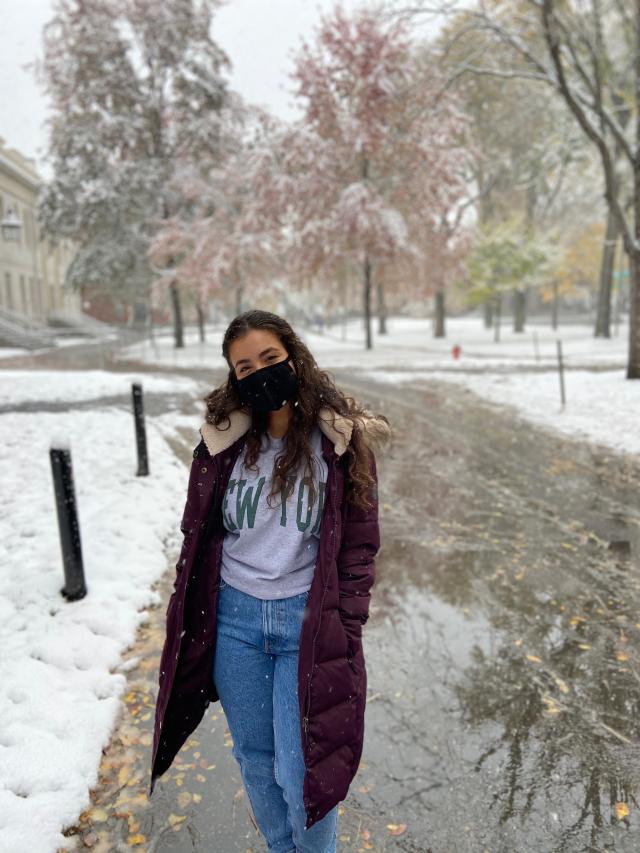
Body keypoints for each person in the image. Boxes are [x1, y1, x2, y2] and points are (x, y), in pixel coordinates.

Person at [150, 309, 390, 853]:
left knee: (301, 769)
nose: (259, 372)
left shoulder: (338, 441)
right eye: (244, 366)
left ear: (293, 356)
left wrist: (346, 621)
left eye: (270, 358)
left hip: (305, 621)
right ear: (233, 378)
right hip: (235, 621)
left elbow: (360, 544)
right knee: (256, 762)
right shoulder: (223, 444)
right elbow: (199, 535)